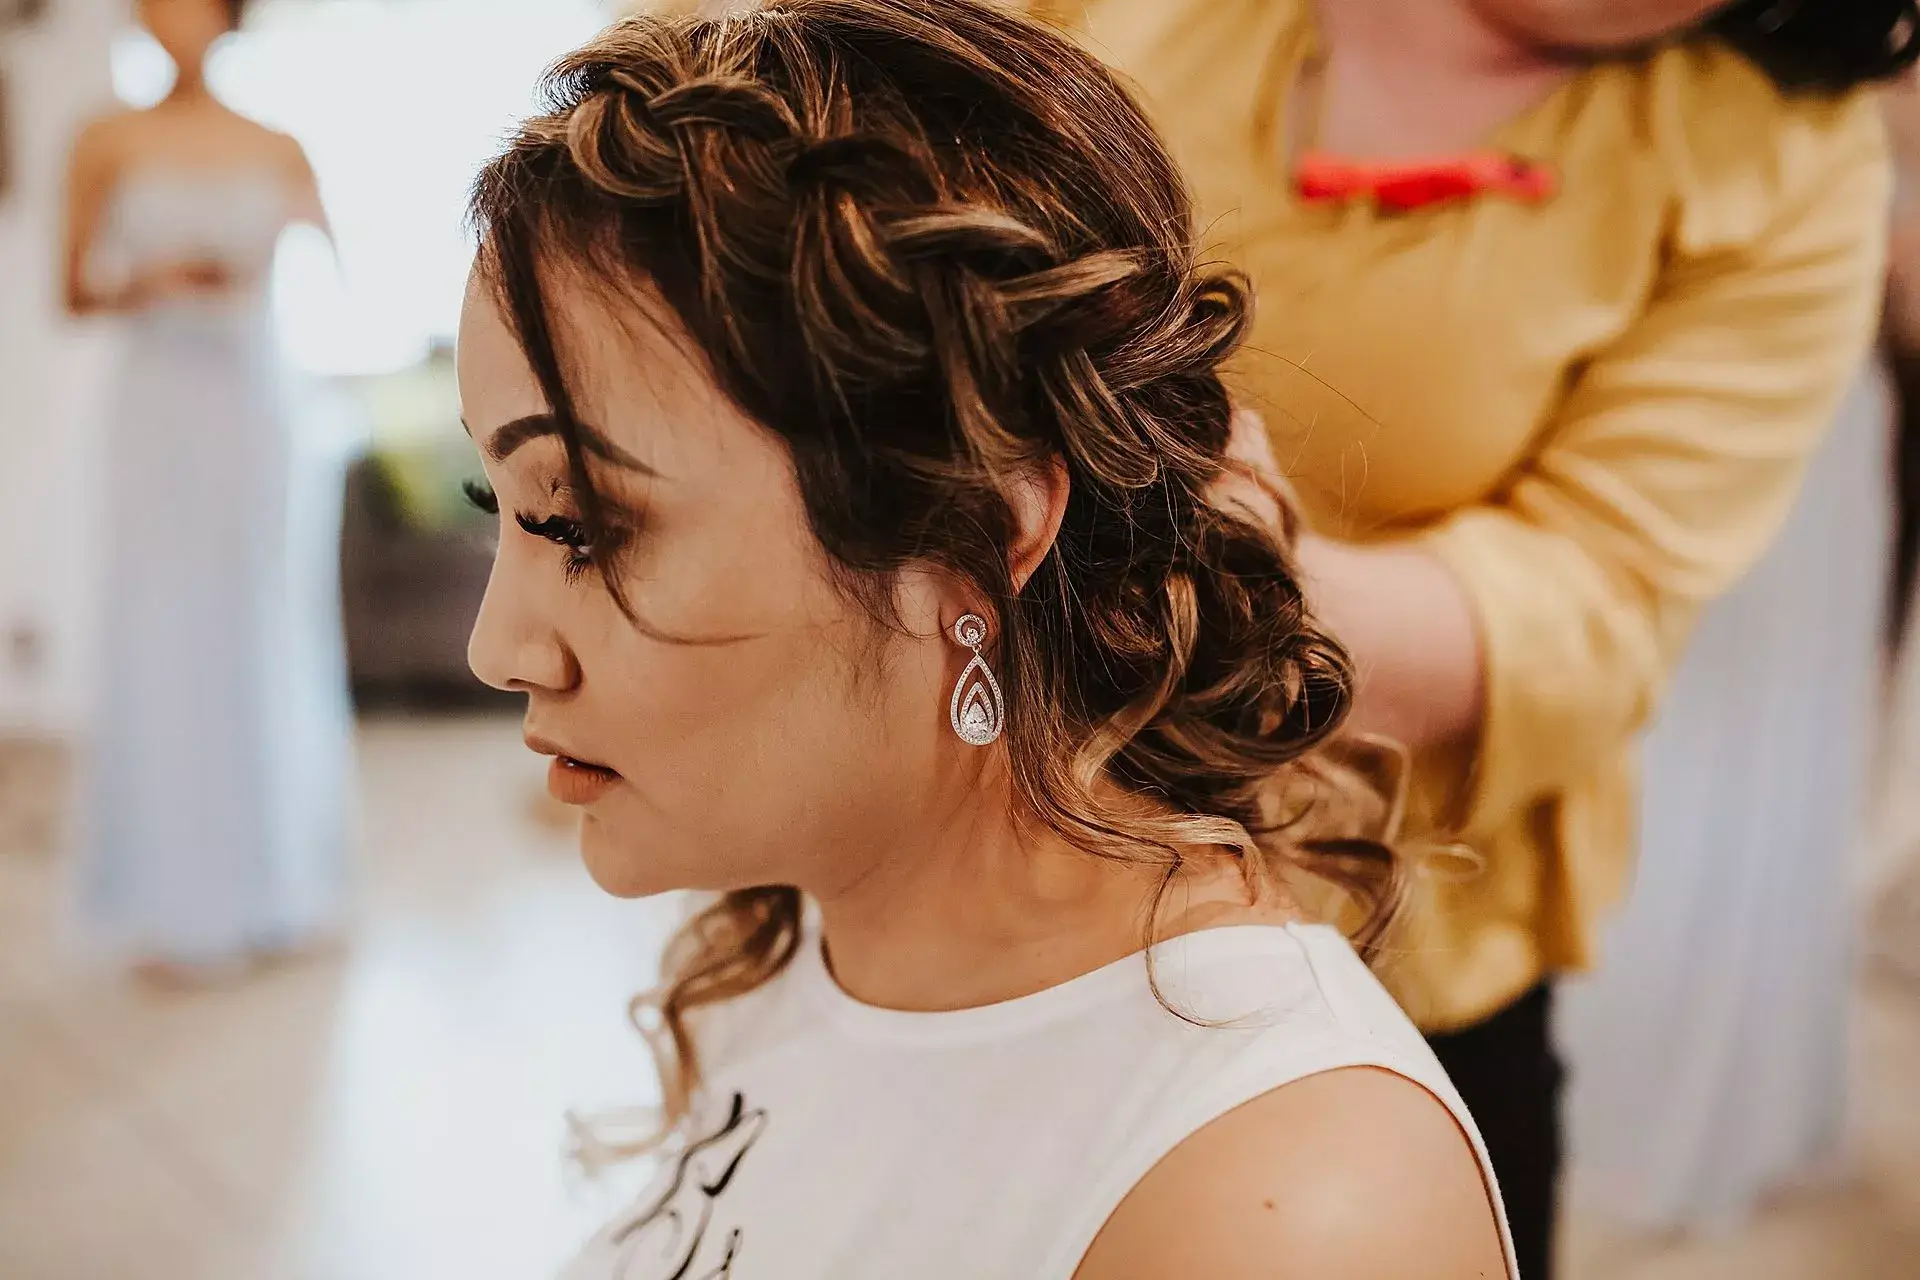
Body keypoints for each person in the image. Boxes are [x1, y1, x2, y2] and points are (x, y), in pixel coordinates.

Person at [458, 2, 1514, 1276]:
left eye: (582, 524)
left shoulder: (1287, 1202)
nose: (499, 645)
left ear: (978, 538)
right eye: (500, 513)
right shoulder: (795, 944)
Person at [1006, 0, 1911, 1271]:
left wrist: (1185, 538)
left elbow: (1577, 610)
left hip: (1369, 945)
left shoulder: (1773, 162)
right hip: (959, 860)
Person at [62, 0, 351, 978]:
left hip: (250, 405)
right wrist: (151, 282)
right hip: (156, 404)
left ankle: (282, 885)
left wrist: (291, 238)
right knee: (161, 628)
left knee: (261, 624)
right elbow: (72, 290)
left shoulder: (277, 141)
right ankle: (173, 900)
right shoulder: (104, 138)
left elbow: (337, 266)